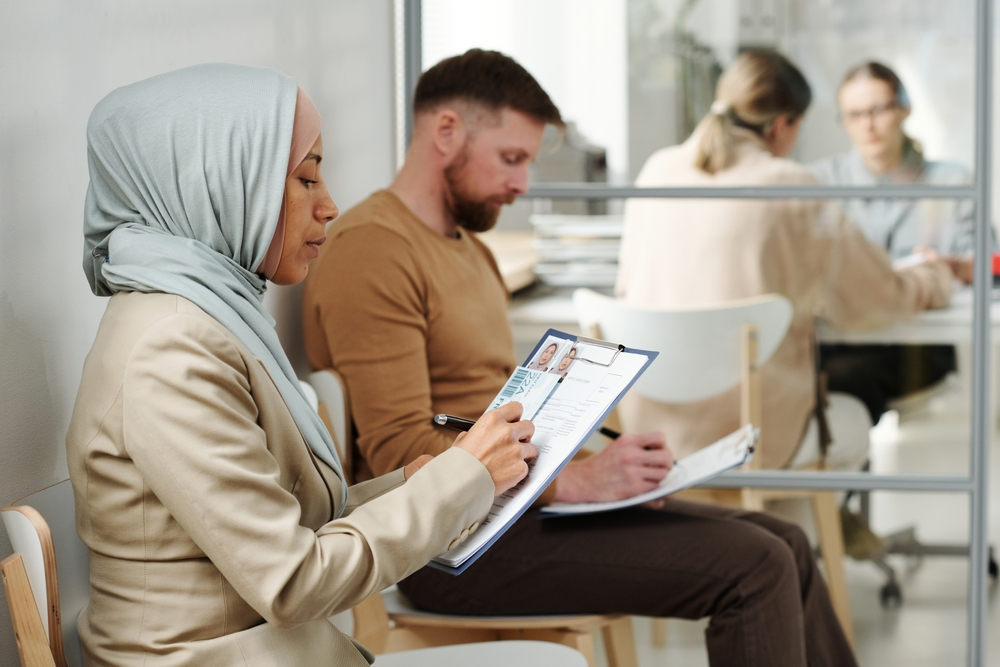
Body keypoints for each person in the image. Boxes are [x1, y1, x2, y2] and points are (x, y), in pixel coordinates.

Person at [303, 48, 858, 667]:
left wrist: (608, 474)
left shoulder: (464, 248)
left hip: (513, 514)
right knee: (757, 566)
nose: (522, 184)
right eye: (511, 159)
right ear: (446, 132)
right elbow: (401, 453)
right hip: (451, 549)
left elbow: (493, 414)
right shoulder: (373, 251)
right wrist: (574, 481)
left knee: (783, 539)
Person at [66, 63, 537, 667]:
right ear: (218, 180)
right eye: (306, 178)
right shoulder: (172, 346)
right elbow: (293, 581)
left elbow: (278, 525)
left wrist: (409, 486)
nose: (331, 205)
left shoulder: (204, 315)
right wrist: (461, 479)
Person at [615, 50, 953, 473]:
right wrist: (934, 276)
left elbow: (625, 287)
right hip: (750, 439)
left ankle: (765, 537)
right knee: (848, 417)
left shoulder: (656, 170)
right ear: (781, 125)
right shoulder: (793, 184)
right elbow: (873, 302)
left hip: (651, 434)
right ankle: (798, 535)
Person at [810, 62, 971, 423]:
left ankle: (842, 476)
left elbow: (985, 265)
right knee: (807, 379)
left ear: (904, 108)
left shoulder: (950, 182)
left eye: (878, 110)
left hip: (917, 348)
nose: (867, 125)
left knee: (839, 382)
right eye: (854, 114)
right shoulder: (820, 181)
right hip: (841, 336)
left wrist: (952, 266)